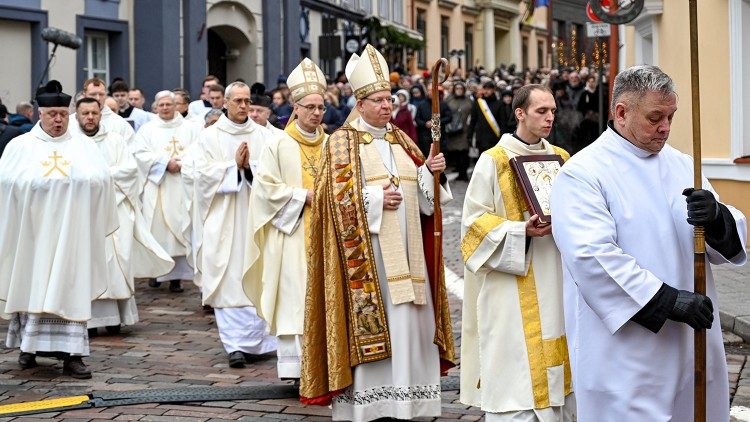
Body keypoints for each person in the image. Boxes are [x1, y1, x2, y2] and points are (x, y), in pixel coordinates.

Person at [550, 65, 747, 421]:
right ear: (621, 112)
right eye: (656, 117)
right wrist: (668, 301)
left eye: (671, 116)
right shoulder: (583, 173)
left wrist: (717, 217)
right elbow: (591, 256)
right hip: (627, 353)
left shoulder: (686, 165)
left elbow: (727, 239)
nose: (666, 128)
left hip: (693, 342)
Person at [300, 44, 456, 421]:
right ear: (362, 102)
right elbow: (327, 201)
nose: (389, 106)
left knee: (409, 320)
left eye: (390, 100)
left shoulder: (401, 139)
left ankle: (407, 401)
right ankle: (372, 404)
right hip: (368, 263)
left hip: (409, 250)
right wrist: (371, 198)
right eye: (381, 100)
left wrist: (429, 173)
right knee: (380, 318)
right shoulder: (340, 142)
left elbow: (425, 200)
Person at [460, 84, 574, 421]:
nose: (550, 117)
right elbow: (472, 225)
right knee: (516, 363)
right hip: (513, 280)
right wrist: (520, 230)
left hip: (555, 270)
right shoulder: (493, 161)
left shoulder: (561, 159)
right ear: (520, 113)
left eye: (552, 110)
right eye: (542, 111)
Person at [0, 81, 117, 378]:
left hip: (73, 237)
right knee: (33, 283)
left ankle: (73, 355)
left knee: (71, 289)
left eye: (63, 115)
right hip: (33, 235)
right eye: (52, 114)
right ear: (40, 114)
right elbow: (7, 185)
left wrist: (83, 183)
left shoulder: (84, 147)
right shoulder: (20, 147)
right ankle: (29, 348)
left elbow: (103, 181)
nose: (57, 120)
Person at [243, 58, 328, 381]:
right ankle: (294, 367)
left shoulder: (333, 143)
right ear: (295, 107)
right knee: (295, 297)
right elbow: (264, 188)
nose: (317, 113)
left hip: (326, 233)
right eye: (310, 107)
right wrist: (301, 196)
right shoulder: (278, 143)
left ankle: (323, 361)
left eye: (321, 107)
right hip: (292, 232)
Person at [191, 81, 277, 368]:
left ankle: (264, 342)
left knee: (259, 272)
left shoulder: (264, 136)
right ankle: (235, 345)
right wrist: (232, 167)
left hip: (256, 215)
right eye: (238, 101)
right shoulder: (209, 137)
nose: (244, 106)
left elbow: (274, 175)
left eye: (247, 101)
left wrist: (251, 168)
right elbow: (199, 177)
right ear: (225, 103)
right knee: (227, 276)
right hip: (224, 218)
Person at [76, 97, 174, 336]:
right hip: (81, 213)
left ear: (101, 114)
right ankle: (86, 320)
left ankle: (114, 318)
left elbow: (130, 172)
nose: (90, 118)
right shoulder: (71, 143)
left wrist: (97, 177)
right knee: (85, 264)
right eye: (85, 113)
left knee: (115, 262)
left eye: (94, 113)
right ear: (77, 116)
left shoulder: (115, 140)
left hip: (115, 210)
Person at [134, 90, 201, 293]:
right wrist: (164, 163)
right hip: (159, 186)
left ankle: (177, 279)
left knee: (183, 228)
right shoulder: (147, 130)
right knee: (158, 230)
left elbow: (200, 150)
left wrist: (181, 163)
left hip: (183, 185)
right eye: (161, 105)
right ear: (155, 107)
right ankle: (157, 272)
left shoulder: (191, 128)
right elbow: (139, 154)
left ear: (176, 106)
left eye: (168, 105)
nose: (165, 108)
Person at [70, 78, 135, 143]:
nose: (98, 98)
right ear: (84, 95)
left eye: (101, 94)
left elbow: (131, 149)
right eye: (93, 94)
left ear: (106, 95)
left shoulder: (120, 123)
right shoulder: (71, 122)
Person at [443, 82, 473, 181]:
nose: (459, 90)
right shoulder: (449, 100)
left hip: (464, 129)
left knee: (464, 152)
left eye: (461, 88)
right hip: (452, 130)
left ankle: (463, 173)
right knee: (455, 152)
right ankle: (459, 171)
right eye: (457, 88)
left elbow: (473, 112)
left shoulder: (468, 100)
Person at [466, 81, 502, 155]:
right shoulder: (478, 103)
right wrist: (469, 135)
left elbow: (502, 122)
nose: (486, 91)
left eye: (489, 89)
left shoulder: (499, 104)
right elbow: (473, 120)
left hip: (495, 138)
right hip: (481, 138)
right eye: (485, 89)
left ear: (493, 90)